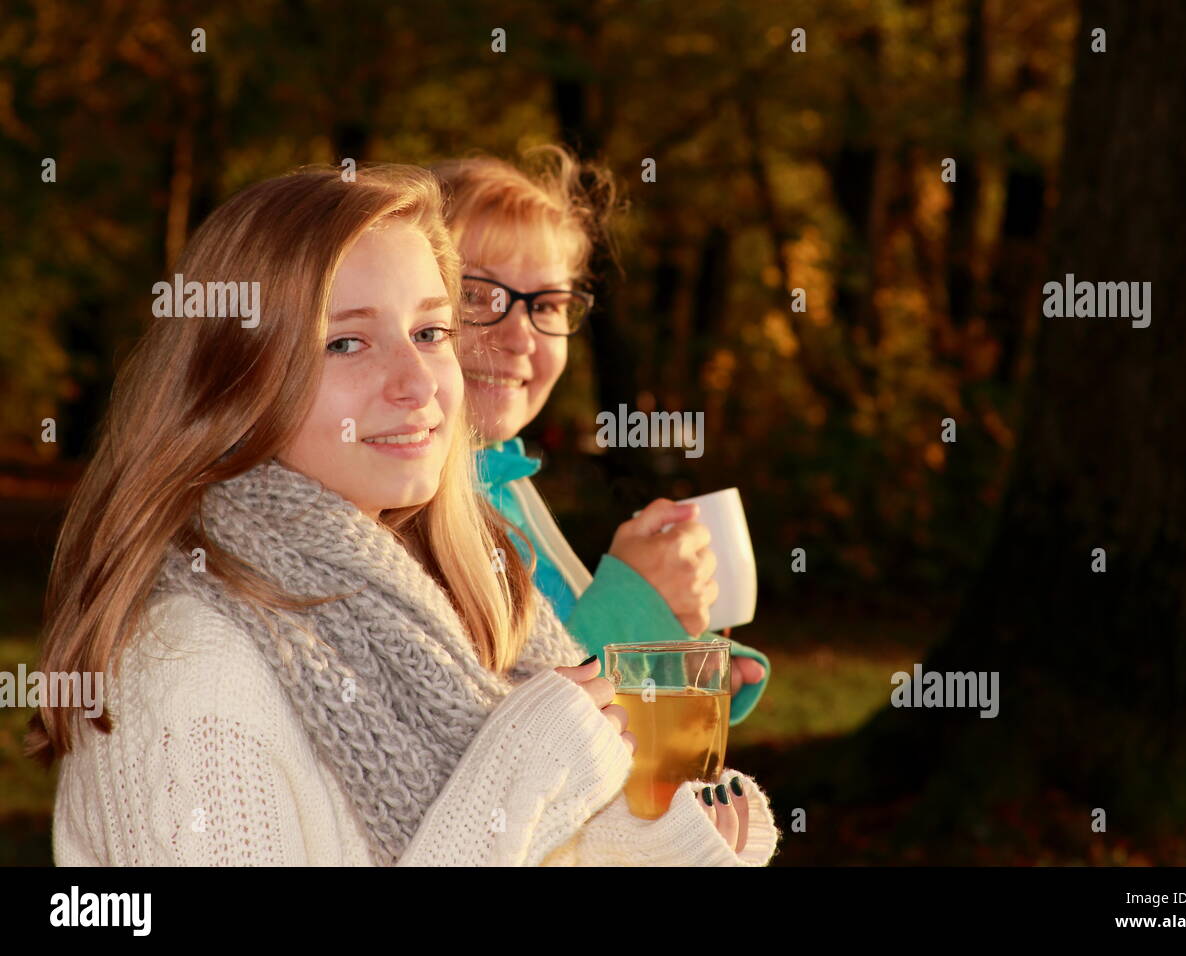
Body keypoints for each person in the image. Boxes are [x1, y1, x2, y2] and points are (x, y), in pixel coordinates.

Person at [27, 164, 780, 866]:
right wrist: (516, 778)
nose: (419, 383)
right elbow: (495, 818)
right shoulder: (188, 670)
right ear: (233, 380)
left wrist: (679, 848)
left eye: (430, 333)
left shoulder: (454, 591)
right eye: (347, 342)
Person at [431, 146, 771, 725]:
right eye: (477, 294)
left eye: (548, 304)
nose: (521, 336)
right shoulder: (403, 508)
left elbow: (555, 659)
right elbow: (477, 745)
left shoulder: (501, 480)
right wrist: (635, 604)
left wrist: (673, 653)